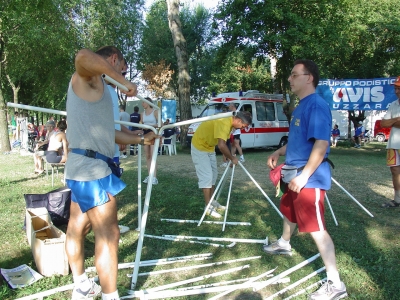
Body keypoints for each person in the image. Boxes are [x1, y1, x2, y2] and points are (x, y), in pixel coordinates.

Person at [64, 46, 157, 300]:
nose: (122, 74)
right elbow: (82, 55)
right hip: (91, 169)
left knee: (78, 227)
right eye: (123, 68)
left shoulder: (101, 90)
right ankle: (109, 296)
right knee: (109, 234)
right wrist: (124, 81)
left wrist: (142, 140)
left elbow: (107, 132)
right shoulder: (91, 77)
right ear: (114, 59)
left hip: (82, 166)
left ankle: (82, 286)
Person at [264, 60, 347, 300]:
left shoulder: (317, 105)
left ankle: (336, 284)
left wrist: (304, 176)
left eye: (294, 75)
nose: (290, 79)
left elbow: (321, 144)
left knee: (316, 228)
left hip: (308, 177)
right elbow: (301, 139)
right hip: (294, 172)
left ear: (309, 78)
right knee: (289, 211)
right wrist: (279, 152)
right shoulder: (301, 106)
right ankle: (284, 243)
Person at [191, 111, 252, 218]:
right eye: (243, 126)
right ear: (238, 120)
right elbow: (221, 145)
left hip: (209, 147)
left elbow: (225, 143)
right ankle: (208, 207)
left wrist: (230, 159)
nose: (241, 128)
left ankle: (212, 201)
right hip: (199, 146)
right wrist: (232, 158)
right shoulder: (224, 122)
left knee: (213, 175)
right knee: (207, 177)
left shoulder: (230, 123)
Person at [380, 76, 400, 208]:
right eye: (396, 88)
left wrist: (391, 121)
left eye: (399, 88)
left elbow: (389, 122)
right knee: (395, 171)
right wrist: (396, 120)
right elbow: (383, 123)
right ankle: (397, 199)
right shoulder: (394, 104)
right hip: (393, 144)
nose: (397, 91)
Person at [140, 97, 159, 185]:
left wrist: (150, 125)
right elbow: (140, 123)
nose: (142, 104)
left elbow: (160, 124)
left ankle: (154, 177)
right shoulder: (142, 113)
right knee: (147, 156)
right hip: (145, 134)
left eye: (143, 102)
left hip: (153, 133)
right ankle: (149, 175)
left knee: (152, 155)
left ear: (148, 103)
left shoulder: (155, 111)